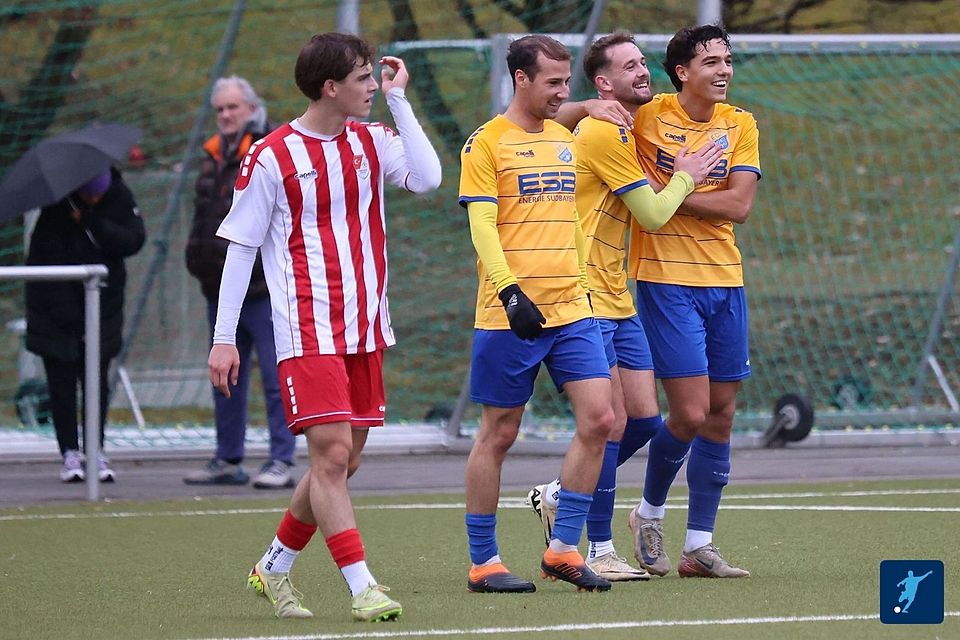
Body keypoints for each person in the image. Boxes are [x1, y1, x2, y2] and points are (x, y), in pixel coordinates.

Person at [207, 32, 441, 622]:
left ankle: (274, 567)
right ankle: (363, 587)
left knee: (340, 463)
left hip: (366, 328)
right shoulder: (271, 155)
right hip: (306, 328)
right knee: (332, 455)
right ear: (330, 87)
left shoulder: (369, 139)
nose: (373, 86)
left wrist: (400, 101)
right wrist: (223, 337)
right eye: (365, 78)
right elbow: (240, 249)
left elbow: (429, 178)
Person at [526, 32, 722, 581]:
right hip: (582, 290)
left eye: (643, 63)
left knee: (644, 419)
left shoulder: (627, 125)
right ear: (603, 83)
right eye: (628, 66)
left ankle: (561, 493)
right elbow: (656, 215)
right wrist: (687, 172)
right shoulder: (601, 131)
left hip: (616, 291)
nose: (643, 72)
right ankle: (598, 549)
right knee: (608, 424)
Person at [459, 34, 615, 595]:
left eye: (565, 81)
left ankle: (563, 548)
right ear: (521, 79)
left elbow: (568, 219)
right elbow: (482, 226)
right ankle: (484, 563)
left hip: (573, 309)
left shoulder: (563, 141)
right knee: (499, 433)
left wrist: (584, 281)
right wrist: (507, 291)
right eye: (552, 82)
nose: (562, 92)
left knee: (601, 420)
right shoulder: (486, 145)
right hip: (510, 315)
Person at [623, 24, 761, 578]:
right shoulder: (646, 116)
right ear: (683, 72)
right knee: (690, 411)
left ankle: (699, 546)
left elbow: (740, 205)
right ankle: (648, 512)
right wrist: (673, 190)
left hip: (726, 280)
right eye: (711, 62)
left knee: (721, 415)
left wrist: (672, 192)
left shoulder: (740, 124)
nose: (723, 70)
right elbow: (570, 122)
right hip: (664, 279)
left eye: (727, 60)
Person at [184, 75, 297, 489]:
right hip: (219, 289)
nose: (226, 115)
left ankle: (281, 458)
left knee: (275, 376)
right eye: (220, 109)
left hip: (264, 291)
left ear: (253, 108)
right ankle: (227, 458)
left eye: (233, 107)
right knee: (224, 377)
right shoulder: (213, 154)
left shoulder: (269, 151)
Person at [25, 167, 146, 483]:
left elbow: (133, 240)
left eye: (98, 193)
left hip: (104, 310)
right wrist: (75, 322)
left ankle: (96, 450)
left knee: (96, 384)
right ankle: (69, 453)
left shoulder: (119, 196)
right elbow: (44, 272)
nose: (93, 197)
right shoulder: (55, 212)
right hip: (58, 318)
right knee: (61, 386)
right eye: (87, 193)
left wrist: (92, 221)